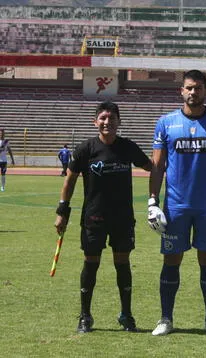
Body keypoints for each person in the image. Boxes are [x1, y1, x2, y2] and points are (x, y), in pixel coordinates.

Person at [147, 70, 206, 337]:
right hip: (175, 206)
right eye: (188, 88)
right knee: (171, 260)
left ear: (205, 90)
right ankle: (165, 318)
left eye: (197, 88)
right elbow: (158, 165)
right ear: (181, 91)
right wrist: (153, 201)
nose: (193, 92)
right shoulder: (166, 123)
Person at [53, 101, 152, 333]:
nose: (107, 122)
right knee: (91, 264)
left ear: (119, 121)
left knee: (122, 264)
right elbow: (70, 180)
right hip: (94, 218)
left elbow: (152, 167)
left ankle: (126, 315)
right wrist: (62, 211)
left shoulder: (127, 147)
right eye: (103, 118)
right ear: (95, 121)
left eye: (112, 118)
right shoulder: (85, 149)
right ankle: (85, 316)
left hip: (122, 219)